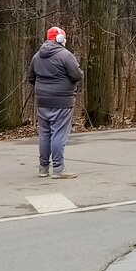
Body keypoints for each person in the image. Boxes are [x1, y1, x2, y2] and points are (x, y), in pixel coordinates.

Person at [27, 26, 83, 179]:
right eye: (64, 38)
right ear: (60, 39)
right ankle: (58, 168)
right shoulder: (66, 55)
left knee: (45, 134)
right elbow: (77, 75)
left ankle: (43, 168)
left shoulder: (37, 56)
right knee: (58, 133)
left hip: (42, 101)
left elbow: (31, 78)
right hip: (62, 101)